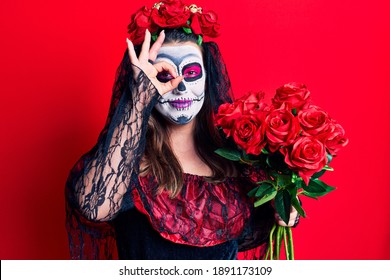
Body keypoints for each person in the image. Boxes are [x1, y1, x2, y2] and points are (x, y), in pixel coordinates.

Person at [65, 0, 299, 260]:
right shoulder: (125, 163)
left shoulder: (237, 160)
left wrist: (285, 209)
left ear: (208, 77)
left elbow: (260, 230)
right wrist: (138, 99)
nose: (181, 87)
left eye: (191, 72)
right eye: (164, 74)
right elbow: (94, 208)